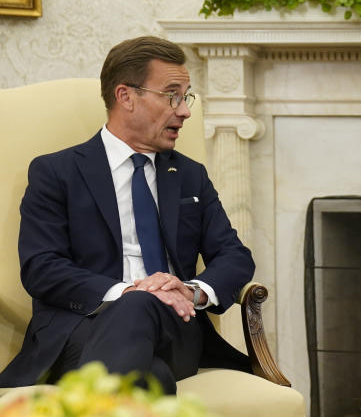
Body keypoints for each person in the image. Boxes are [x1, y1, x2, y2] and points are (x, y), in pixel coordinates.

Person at [0, 36, 254, 394]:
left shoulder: (189, 175)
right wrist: (129, 291)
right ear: (126, 96)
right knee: (153, 378)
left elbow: (234, 256)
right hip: (83, 327)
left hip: (174, 327)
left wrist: (190, 291)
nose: (184, 111)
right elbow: (41, 267)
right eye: (172, 95)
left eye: (186, 97)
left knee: (143, 310)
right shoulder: (56, 172)